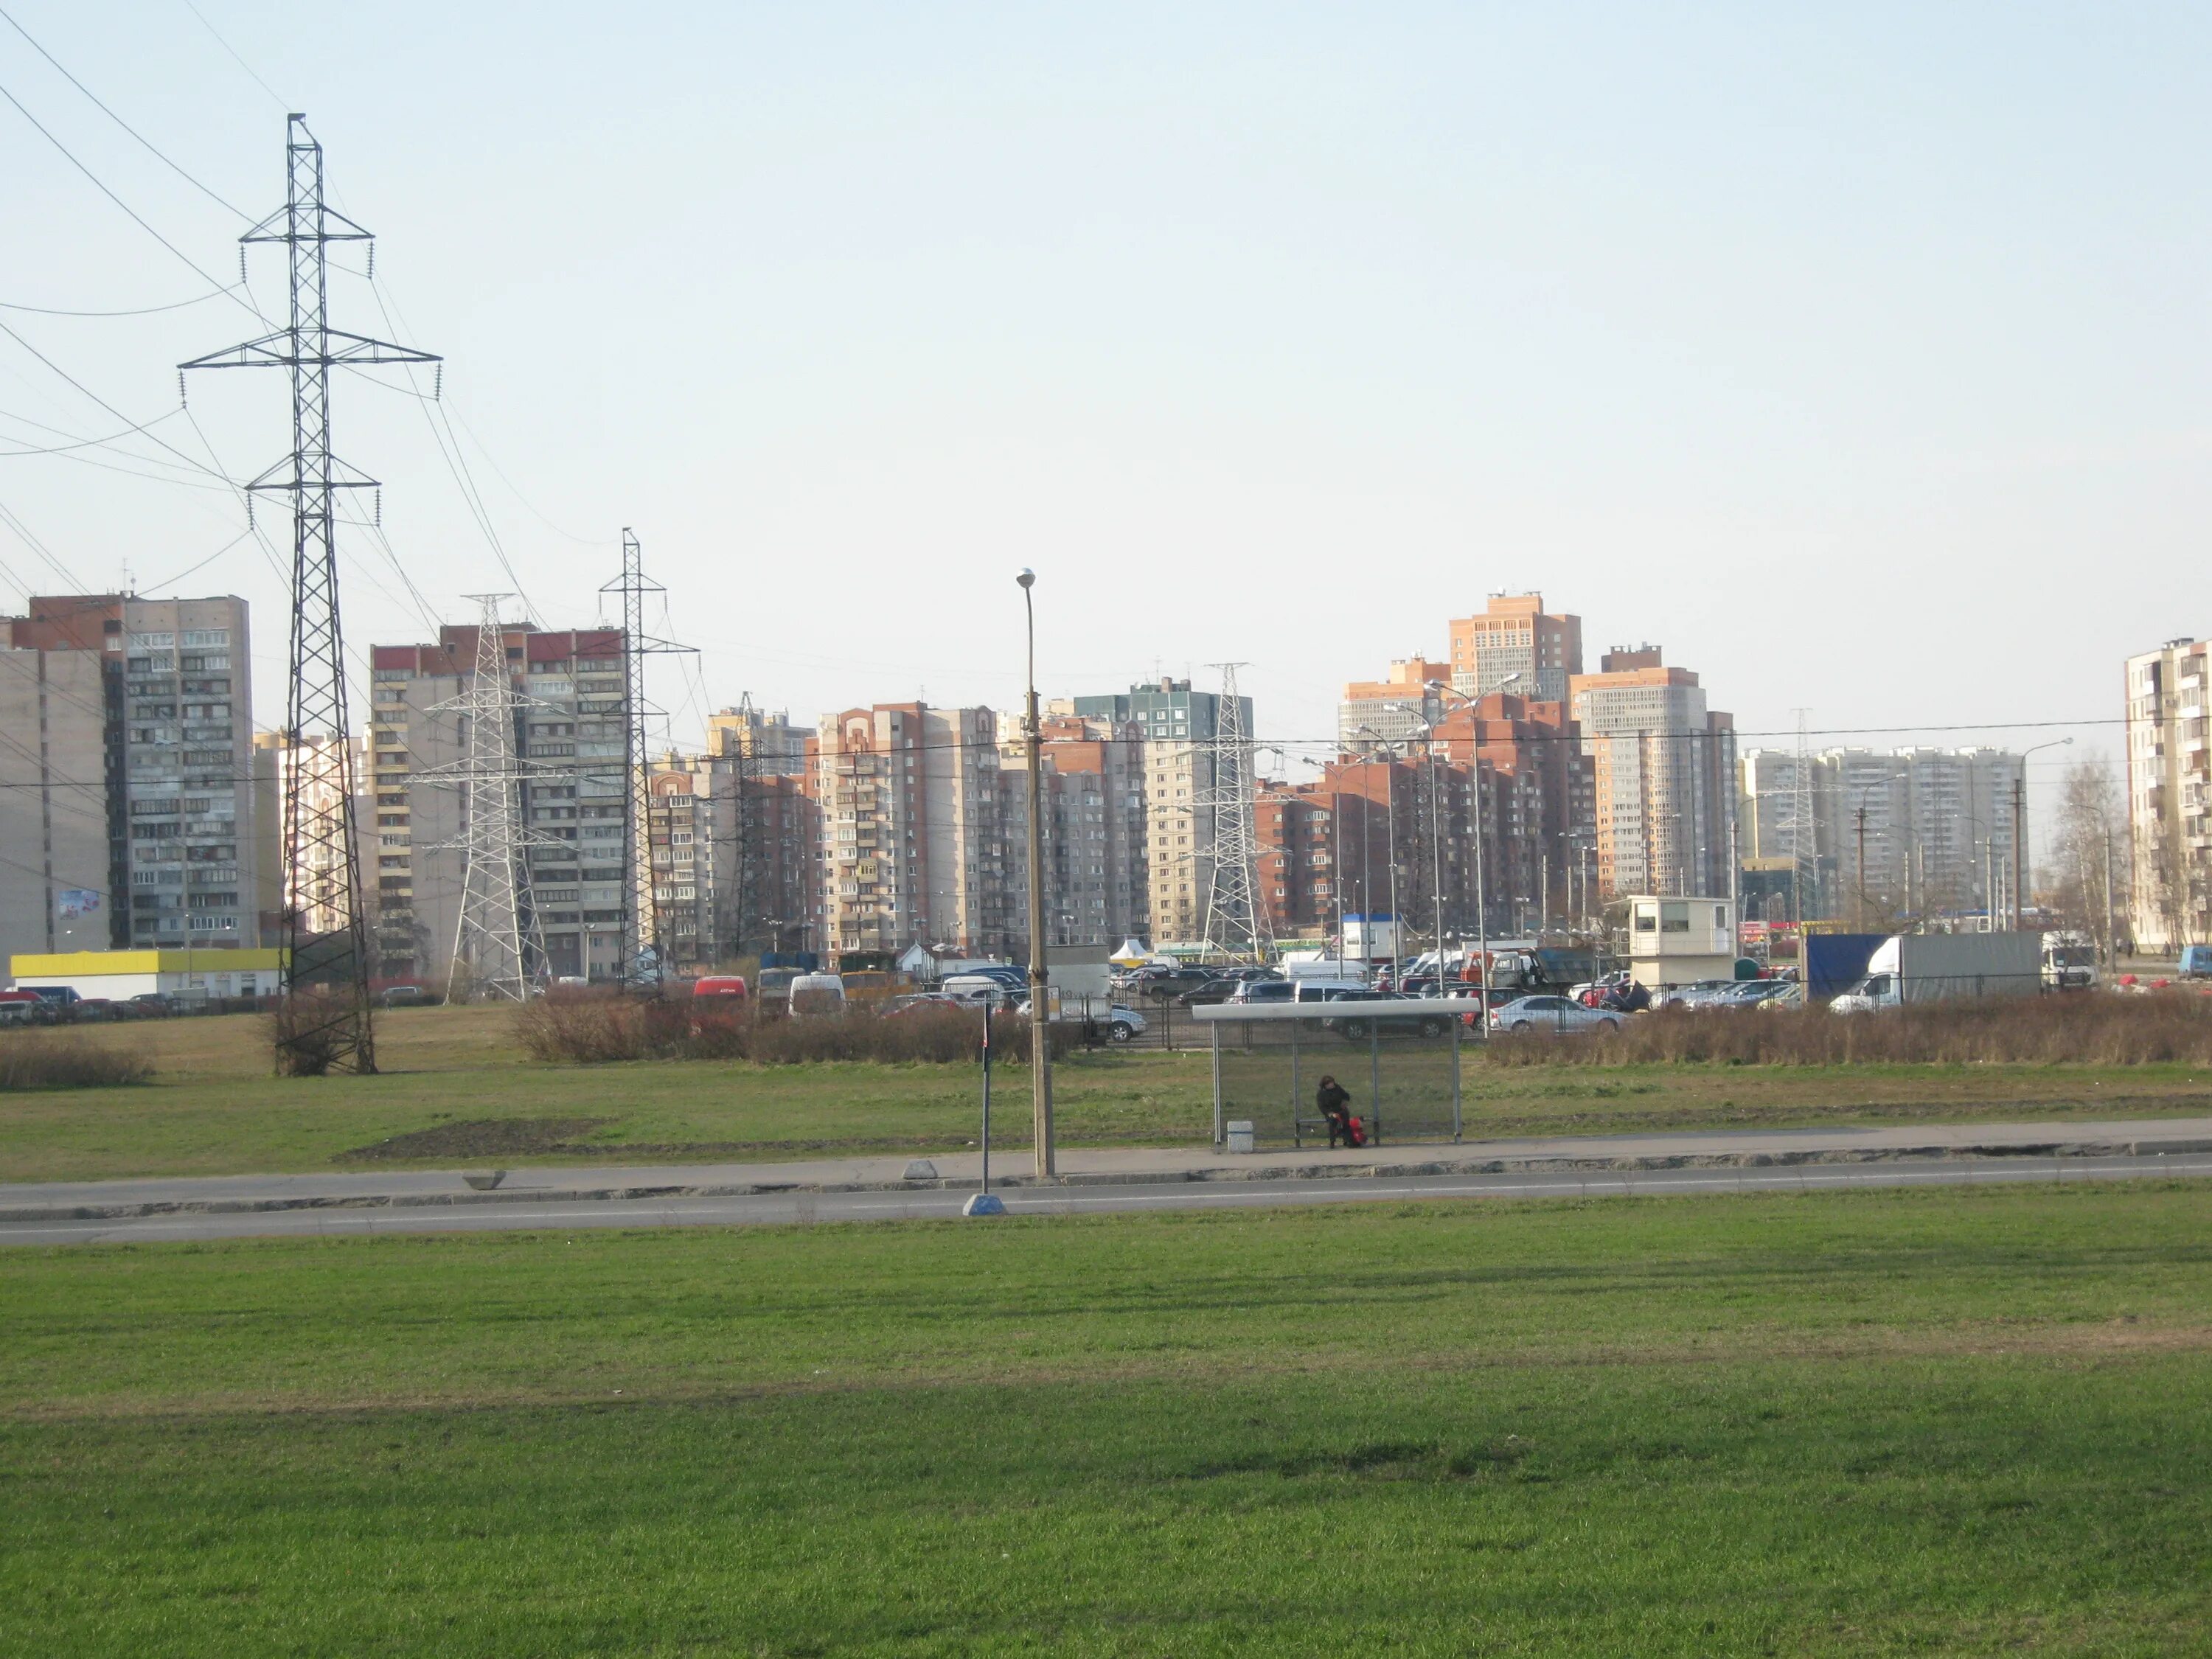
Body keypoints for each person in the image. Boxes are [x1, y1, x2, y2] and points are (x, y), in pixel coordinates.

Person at [1315, 1074, 1357, 1149]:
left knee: (1346, 1123)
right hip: (1331, 1112)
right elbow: (1322, 1107)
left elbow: (1346, 1096)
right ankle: (1332, 1141)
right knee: (1332, 1123)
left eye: (1332, 1083)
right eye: (1329, 1084)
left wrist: (1345, 1102)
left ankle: (1349, 1141)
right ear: (1325, 1085)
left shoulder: (1337, 1088)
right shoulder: (1321, 1094)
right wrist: (1330, 1113)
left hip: (1341, 1110)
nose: (1332, 1085)